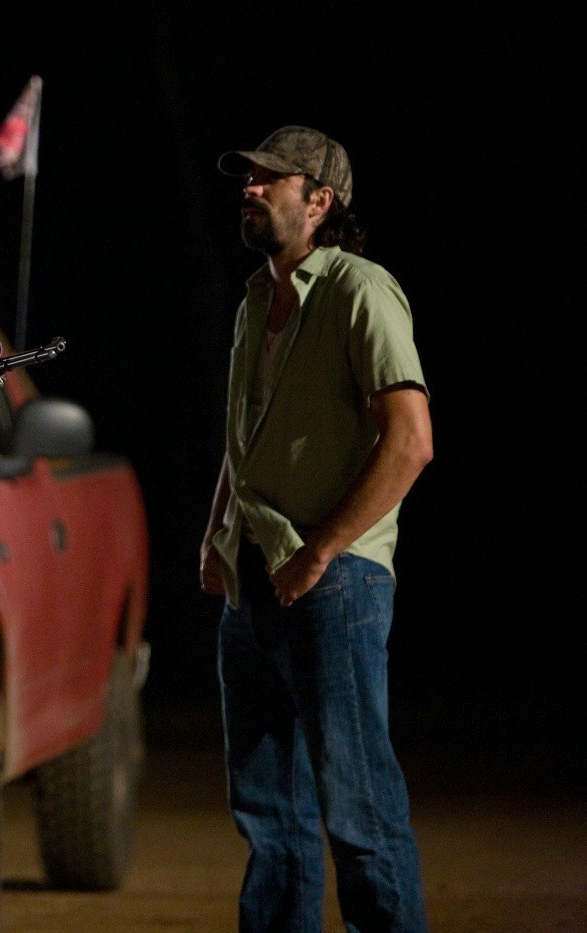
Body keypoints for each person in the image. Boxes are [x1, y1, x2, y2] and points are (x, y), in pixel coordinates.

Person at [198, 125, 433, 930]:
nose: (250, 189)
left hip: (335, 584)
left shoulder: (360, 289)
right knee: (271, 821)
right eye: (248, 178)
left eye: (270, 178)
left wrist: (323, 553)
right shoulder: (255, 302)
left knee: (360, 814)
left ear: (320, 199)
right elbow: (243, 438)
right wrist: (215, 534)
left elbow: (411, 440)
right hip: (252, 577)